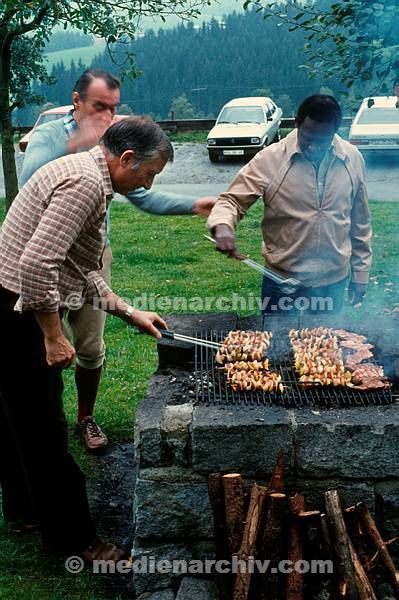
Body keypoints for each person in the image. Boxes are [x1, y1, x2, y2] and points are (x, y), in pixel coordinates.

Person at [0, 116, 170, 561]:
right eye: (148, 175)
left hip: (8, 303)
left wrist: (129, 312)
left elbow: (79, 266)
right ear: (128, 158)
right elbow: (38, 265)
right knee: (45, 429)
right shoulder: (85, 185)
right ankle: (75, 541)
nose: (147, 184)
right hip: (19, 312)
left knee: (17, 420)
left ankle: (24, 511)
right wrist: (53, 335)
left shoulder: (84, 169)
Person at [20, 68, 216, 450]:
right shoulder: (73, 162)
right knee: (40, 361)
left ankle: (82, 419)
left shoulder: (109, 165)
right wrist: (86, 151)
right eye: (99, 107)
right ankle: (43, 433)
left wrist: (193, 204)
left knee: (89, 346)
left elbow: (140, 189)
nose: (108, 118)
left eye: (113, 109)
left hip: (85, 257)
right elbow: (37, 239)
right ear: (76, 101)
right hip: (39, 265)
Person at [208, 94, 372, 315]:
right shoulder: (271, 159)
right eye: (308, 137)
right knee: (276, 347)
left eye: (322, 140)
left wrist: (361, 274)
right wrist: (223, 225)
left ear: (334, 132)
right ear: (297, 124)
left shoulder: (352, 159)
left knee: (327, 347)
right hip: (281, 282)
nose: (313, 146)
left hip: (333, 283)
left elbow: (360, 222)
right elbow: (232, 200)